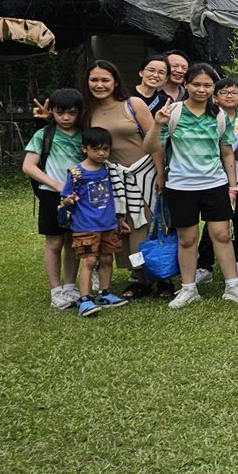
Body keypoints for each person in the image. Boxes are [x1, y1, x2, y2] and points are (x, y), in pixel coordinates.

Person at [143, 64, 238, 309]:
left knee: (222, 235)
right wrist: (157, 124)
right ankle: (188, 289)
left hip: (215, 184)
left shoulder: (218, 115)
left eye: (207, 85)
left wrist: (232, 187)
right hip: (181, 185)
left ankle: (233, 287)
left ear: (213, 88)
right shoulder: (173, 112)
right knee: (187, 239)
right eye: (196, 84)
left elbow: (227, 152)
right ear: (186, 85)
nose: (201, 89)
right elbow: (150, 147)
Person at [78, 59, 158, 300]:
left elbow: (154, 140)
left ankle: (161, 276)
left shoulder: (133, 104)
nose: (99, 85)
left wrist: (162, 175)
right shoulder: (87, 112)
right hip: (113, 179)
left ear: (115, 82)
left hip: (145, 175)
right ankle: (139, 277)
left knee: (150, 225)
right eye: (94, 80)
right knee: (126, 228)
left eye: (105, 80)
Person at [59, 127, 132, 316]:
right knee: (89, 261)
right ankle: (84, 299)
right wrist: (69, 200)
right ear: (85, 148)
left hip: (108, 224)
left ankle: (104, 293)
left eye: (105, 149)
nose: (101, 153)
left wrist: (120, 219)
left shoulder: (109, 169)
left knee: (107, 259)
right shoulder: (76, 172)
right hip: (85, 225)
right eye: (96, 149)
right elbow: (65, 197)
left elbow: (116, 195)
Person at [22, 87, 85, 308]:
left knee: (73, 241)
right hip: (51, 195)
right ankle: (56, 290)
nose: (66, 118)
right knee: (54, 242)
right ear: (53, 112)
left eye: (72, 113)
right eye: (60, 113)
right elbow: (28, 166)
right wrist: (56, 184)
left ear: (80, 113)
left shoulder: (85, 135)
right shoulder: (43, 135)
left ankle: (70, 286)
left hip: (78, 196)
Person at [195, 77, 238, 286]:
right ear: (215, 98)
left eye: (234, 92)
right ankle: (204, 265)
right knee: (214, 221)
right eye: (224, 92)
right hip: (216, 178)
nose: (230, 96)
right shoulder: (209, 120)